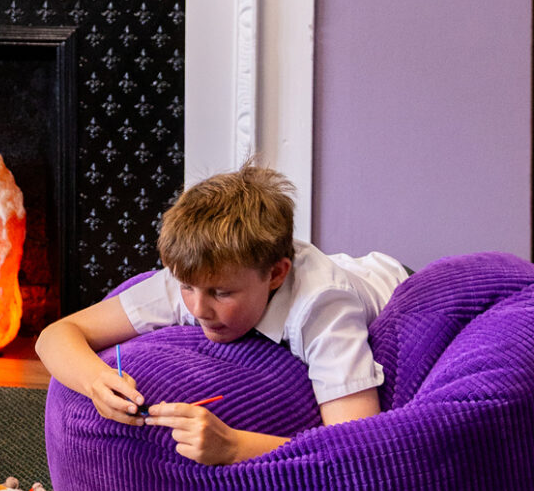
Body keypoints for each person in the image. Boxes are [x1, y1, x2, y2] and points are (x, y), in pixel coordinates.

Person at [36, 160, 408, 466]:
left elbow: (357, 452)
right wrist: (97, 381)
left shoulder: (324, 309)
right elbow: (54, 336)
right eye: (188, 288)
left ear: (276, 274)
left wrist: (233, 446)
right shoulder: (193, 276)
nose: (198, 309)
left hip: (396, 284)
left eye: (221, 293)